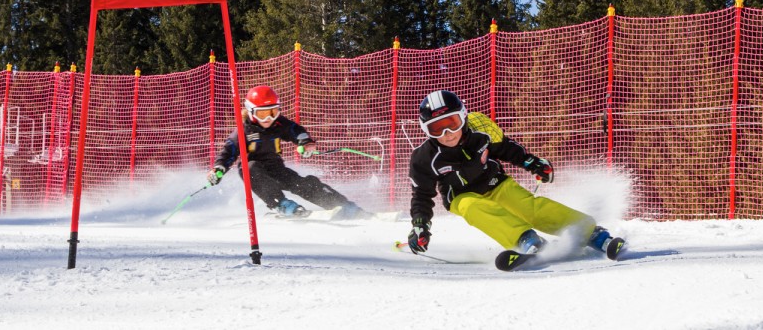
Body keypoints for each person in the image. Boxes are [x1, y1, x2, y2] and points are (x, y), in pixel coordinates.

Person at [406, 90, 625, 260]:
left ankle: (591, 233)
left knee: (529, 207)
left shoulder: (480, 128)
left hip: (495, 183)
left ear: (463, 117)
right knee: (472, 208)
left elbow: (506, 149)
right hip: (461, 196)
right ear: (426, 130)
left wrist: (533, 164)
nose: (448, 134)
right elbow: (422, 196)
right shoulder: (424, 158)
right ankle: (525, 240)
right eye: (437, 129)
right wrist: (420, 227)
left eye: (452, 123)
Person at [209, 85, 369, 219]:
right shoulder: (243, 131)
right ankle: (281, 204)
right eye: (262, 114)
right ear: (251, 112)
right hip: (254, 171)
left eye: (273, 112)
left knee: (303, 184)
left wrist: (305, 143)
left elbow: (295, 130)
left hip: (276, 168)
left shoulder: (278, 124)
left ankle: (343, 205)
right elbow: (228, 152)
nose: (268, 119)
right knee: (249, 168)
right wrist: (218, 169)